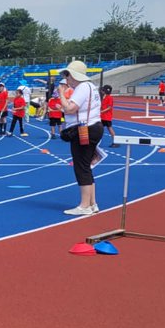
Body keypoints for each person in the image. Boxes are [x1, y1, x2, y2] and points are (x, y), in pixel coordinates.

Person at [58, 61, 103, 216]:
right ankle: (92, 204)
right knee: (86, 166)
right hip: (93, 126)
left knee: (81, 167)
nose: (66, 79)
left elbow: (70, 108)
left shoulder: (82, 87)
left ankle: (84, 206)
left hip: (84, 129)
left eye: (67, 75)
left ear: (73, 75)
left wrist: (61, 95)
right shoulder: (91, 87)